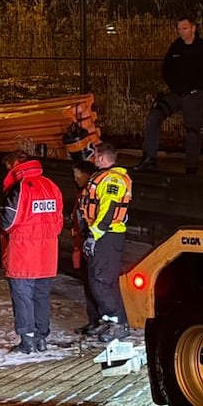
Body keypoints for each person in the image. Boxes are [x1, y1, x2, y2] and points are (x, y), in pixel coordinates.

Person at [136, 16, 203, 174]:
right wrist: (174, 86)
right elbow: (166, 69)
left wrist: (197, 88)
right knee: (154, 116)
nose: (181, 32)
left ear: (193, 28)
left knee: (192, 130)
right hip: (176, 93)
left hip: (195, 94)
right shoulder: (176, 46)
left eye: (185, 28)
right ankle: (149, 159)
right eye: (179, 29)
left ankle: (191, 168)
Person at [0, 150, 65, 354]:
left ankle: (27, 340)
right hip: (47, 253)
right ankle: (41, 338)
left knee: (23, 297)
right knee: (41, 296)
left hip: (23, 254)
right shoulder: (51, 185)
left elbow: (8, 221)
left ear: (15, 165)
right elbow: (59, 222)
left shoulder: (20, 188)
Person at [80, 143, 134, 342]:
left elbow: (108, 209)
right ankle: (107, 319)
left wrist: (94, 234)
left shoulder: (112, 180)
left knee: (102, 281)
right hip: (103, 234)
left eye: (95, 156)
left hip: (107, 235)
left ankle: (118, 323)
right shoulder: (106, 177)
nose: (93, 159)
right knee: (97, 279)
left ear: (102, 158)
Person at [70, 160, 104, 336]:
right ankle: (93, 321)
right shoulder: (80, 193)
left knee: (96, 284)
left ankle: (102, 321)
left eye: (78, 176)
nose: (76, 179)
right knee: (88, 284)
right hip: (82, 243)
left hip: (92, 243)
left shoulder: (92, 194)